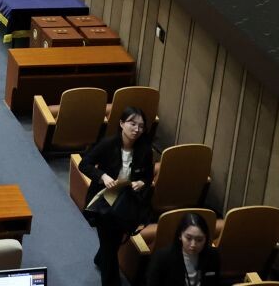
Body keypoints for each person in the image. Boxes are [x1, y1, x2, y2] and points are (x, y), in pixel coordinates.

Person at [81, 106, 155, 286]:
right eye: (132, 123)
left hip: (126, 203)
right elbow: (85, 164)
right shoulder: (108, 144)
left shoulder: (145, 150)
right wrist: (103, 176)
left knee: (112, 243)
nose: (136, 129)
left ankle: (101, 259)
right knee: (109, 244)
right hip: (104, 202)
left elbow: (148, 175)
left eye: (141, 126)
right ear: (122, 124)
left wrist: (142, 183)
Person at [146, 212, 220, 286]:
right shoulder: (162, 258)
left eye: (199, 240)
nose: (193, 245)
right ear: (180, 236)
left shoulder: (213, 255)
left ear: (206, 239)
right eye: (188, 238)